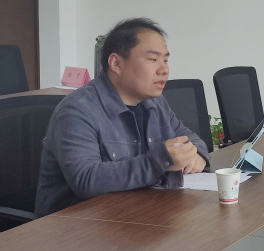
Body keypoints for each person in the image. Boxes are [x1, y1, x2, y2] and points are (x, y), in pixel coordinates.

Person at [35, 18, 209, 215]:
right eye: (153, 60)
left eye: (165, 60)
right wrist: (158, 162)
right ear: (116, 63)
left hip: (135, 215)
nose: (164, 70)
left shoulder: (155, 102)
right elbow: (86, 180)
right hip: (77, 225)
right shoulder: (77, 111)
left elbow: (187, 136)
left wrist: (195, 153)